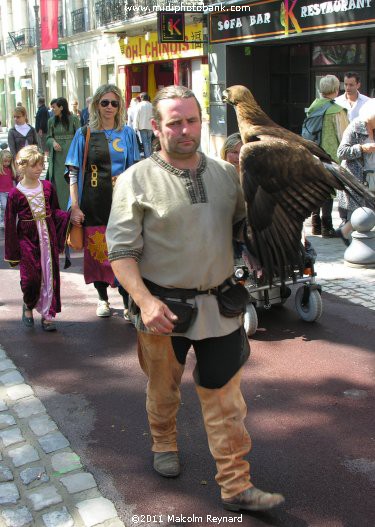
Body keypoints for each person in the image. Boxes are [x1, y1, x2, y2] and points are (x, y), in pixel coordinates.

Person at [106, 85, 285, 512]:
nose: (185, 130)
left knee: (227, 401)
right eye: (174, 123)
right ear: (155, 127)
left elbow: (248, 228)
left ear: (201, 122)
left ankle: (236, 483)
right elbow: (121, 252)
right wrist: (146, 302)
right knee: (163, 390)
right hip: (162, 312)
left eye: (192, 121)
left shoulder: (226, 176)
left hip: (220, 306)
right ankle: (164, 441)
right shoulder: (136, 179)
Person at [66, 83, 140, 318]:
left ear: (120, 106)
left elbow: (135, 169)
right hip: (94, 202)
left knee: (125, 251)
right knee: (98, 251)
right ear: (96, 105)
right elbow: (74, 172)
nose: (109, 107)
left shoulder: (127, 133)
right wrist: (75, 206)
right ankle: (103, 299)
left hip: (121, 203)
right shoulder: (84, 133)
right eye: (105, 102)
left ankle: (128, 302)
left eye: (114, 103)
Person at [4, 146, 70, 331]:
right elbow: (10, 223)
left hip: (47, 236)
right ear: (23, 167)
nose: (39, 168)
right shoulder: (15, 194)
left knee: (50, 275)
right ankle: (28, 303)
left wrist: (68, 216)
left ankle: (48, 315)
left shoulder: (48, 187)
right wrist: (12, 252)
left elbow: (55, 211)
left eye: (41, 164)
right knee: (31, 278)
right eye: (34, 165)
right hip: (27, 237)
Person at [305, 75, 349, 237]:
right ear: (336, 89)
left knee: (316, 187)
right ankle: (327, 227)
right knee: (328, 189)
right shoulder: (336, 110)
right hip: (329, 155)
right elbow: (344, 136)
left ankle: (315, 224)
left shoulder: (313, 106)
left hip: (312, 153)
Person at [336, 99, 375, 245]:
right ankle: (348, 233)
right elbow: (341, 152)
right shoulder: (355, 126)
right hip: (356, 177)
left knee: (368, 210)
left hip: (372, 176)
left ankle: (345, 231)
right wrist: (362, 148)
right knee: (363, 211)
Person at [46, 97, 80, 210]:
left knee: (72, 180)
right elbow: (48, 138)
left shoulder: (74, 119)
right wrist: (53, 142)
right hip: (58, 158)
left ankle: (73, 207)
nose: (52, 110)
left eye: (54, 107)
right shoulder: (51, 121)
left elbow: (80, 136)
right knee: (60, 183)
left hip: (71, 154)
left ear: (61, 107)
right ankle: (61, 210)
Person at [0, 150, 17, 228]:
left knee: (11, 207)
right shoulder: (1, 170)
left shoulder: (11, 169)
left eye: (8, 162)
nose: (7, 163)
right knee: (4, 206)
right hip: (2, 192)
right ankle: (2, 220)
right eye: (5, 161)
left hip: (10, 192)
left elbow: (15, 177)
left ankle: (10, 221)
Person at [134, 92, 153, 158]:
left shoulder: (139, 105)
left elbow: (136, 116)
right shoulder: (151, 105)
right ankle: (150, 155)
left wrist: (135, 127)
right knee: (149, 141)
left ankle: (147, 156)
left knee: (145, 142)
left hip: (142, 126)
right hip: (150, 126)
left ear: (142, 98)